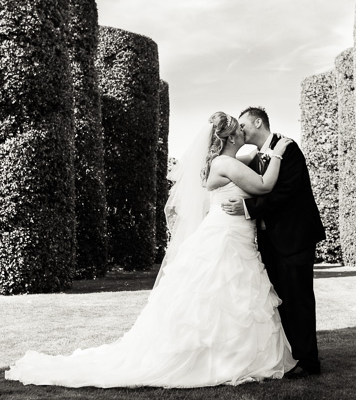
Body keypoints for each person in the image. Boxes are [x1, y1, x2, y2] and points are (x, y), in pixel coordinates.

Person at [5, 112, 297, 388]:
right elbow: (262, 185)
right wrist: (279, 152)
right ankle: (216, 359)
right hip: (227, 237)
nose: (243, 133)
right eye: (239, 129)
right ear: (231, 138)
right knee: (221, 295)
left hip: (235, 234)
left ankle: (230, 356)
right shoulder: (226, 163)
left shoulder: (230, 161)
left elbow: (248, 174)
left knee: (230, 297)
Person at [222, 106, 325, 379]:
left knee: (298, 298)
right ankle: (289, 356)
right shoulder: (256, 155)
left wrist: (247, 208)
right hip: (269, 239)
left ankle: (308, 361)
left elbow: (286, 192)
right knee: (279, 300)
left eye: (243, 125)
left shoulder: (287, 148)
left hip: (295, 236)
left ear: (258, 122)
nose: (240, 130)